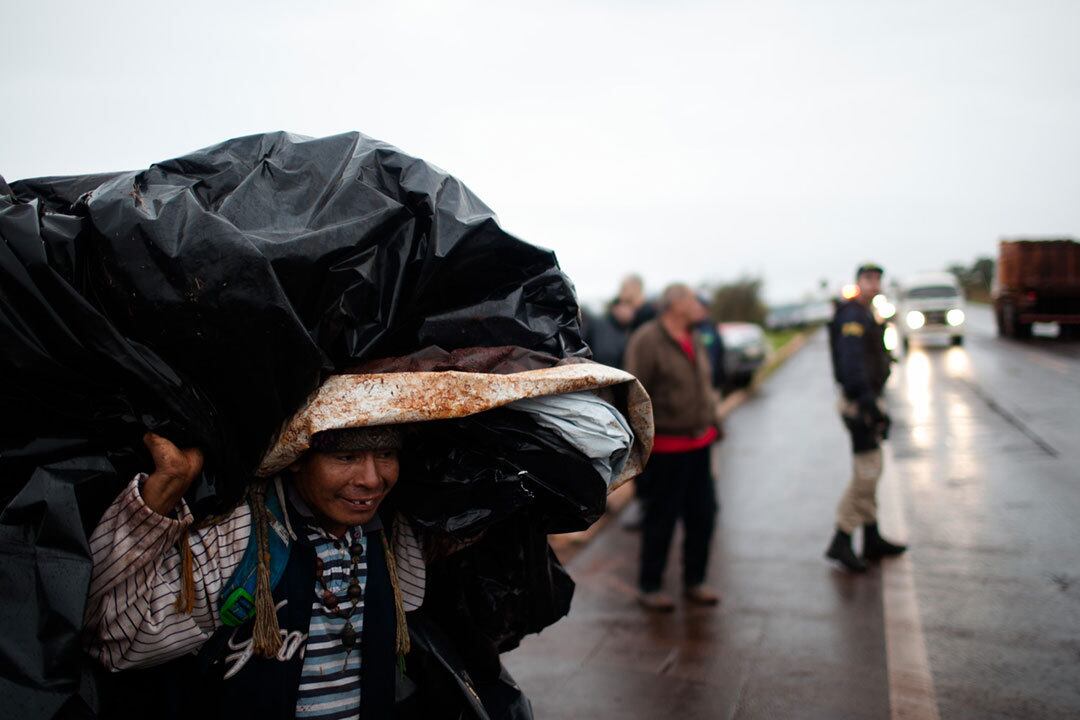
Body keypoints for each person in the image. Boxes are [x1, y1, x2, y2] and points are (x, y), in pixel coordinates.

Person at [84, 425, 429, 719]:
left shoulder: (390, 534)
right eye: (346, 457)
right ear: (296, 456)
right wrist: (154, 508)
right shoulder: (243, 534)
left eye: (386, 454)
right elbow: (119, 644)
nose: (372, 479)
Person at [623, 283, 722, 610]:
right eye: (693, 299)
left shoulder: (695, 335)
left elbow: (703, 384)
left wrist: (713, 421)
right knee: (661, 520)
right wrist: (640, 445)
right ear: (676, 304)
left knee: (703, 515)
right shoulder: (647, 340)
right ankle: (649, 586)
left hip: (700, 444)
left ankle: (696, 581)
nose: (698, 305)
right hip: (667, 450)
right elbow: (634, 393)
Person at [825, 262, 907, 573]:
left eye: (877, 279)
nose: (874, 284)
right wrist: (868, 402)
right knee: (867, 472)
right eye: (868, 279)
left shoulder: (868, 313)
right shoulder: (853, 315)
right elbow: (851, 363)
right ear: (858, 282)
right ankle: (842, 536)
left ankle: (871, 536)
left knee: (872, 467)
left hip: (868, 399)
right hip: (859, 404)